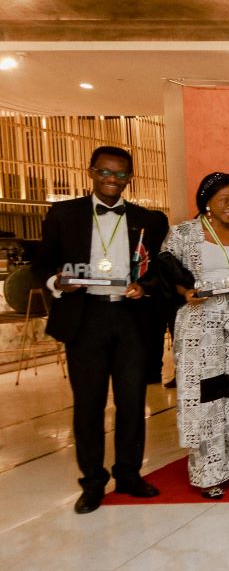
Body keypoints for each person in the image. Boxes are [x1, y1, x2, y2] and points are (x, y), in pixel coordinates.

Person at [32, 145, 169, 513]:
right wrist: (57, 282)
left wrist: (146, 287)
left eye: (120, 174)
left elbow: (158, 271)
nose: (112, 180)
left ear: (129, 178)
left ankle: (128, 473)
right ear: (91, 172)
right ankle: (92, 481)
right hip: (85, 318)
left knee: (131, 402)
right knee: (89, 404)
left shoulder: (148, 220)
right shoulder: (64, 214)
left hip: (130, 319)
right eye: (105, 172)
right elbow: (40, 265)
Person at [163, 172, 229, 499]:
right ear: (206, 201)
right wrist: (183, 289)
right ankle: (209, 473)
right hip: (200, 320)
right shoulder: (184, 233)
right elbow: (163, 267)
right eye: (224, 200)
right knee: (206, 397)